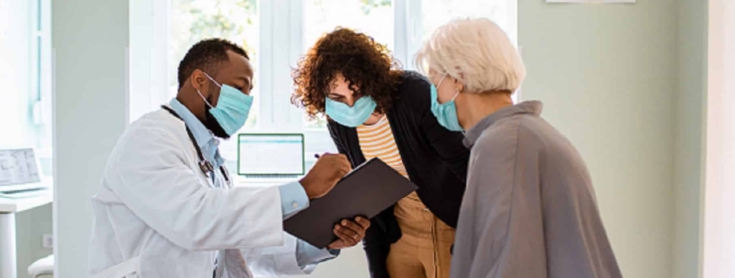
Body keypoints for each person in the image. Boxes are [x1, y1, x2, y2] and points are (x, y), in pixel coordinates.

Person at [89, 39, 371, 278]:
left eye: (249, 93)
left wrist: (323, 241)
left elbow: (237, 241)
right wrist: (304, 188)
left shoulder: (207, 153)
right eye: (239, 88)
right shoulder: (149, 138)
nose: (246, 103)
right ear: (199, 81)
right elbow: (197, 221)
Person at [415, 18, 622, 278]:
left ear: (458, 78)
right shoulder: (524, 134)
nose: (435, 97)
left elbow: (509, 262)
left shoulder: (504, 145)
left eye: (435, 84)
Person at [291, 28, 469, 278]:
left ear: (372, 79)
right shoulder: (339, 122)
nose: (351, 105)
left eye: (358, 92)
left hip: (448, 227)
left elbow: (466, 165)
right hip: (399, 231)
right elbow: (367, 195)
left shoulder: (413, 94)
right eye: (337, 97)